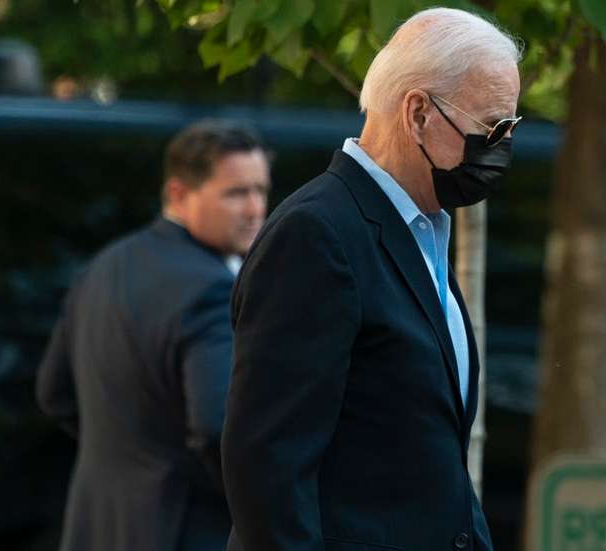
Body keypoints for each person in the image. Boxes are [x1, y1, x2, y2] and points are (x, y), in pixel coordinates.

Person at [221, 7, 521, 551]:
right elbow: (267, 468)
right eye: (491, 129)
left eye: (510, 130)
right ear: (418, 114)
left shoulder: (422, 231)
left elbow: (432, 458)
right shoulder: (317, 234)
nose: (500, 150)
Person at [36, 120, 271, 551]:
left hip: (95, 528)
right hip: (182, 529)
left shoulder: (102, 267)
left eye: (261, 190)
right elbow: (217, 427)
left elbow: (54, 395)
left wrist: (133, 452)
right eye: (237, 193)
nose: (256, 209)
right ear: (179, 194)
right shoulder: (211, 287)